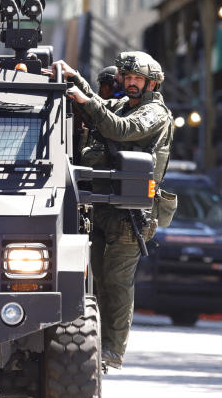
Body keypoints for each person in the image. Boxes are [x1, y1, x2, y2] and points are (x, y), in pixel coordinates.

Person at [48, 52, 173, 371]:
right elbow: (99, 106)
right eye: (126, 77)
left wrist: (85, 100)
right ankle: (98, 345)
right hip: (103, 206)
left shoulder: (153, 113)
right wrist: (74, 77)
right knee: (98, 281)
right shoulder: (121, 104)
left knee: (117, 283)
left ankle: (112, 351)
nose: (130, 83)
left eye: (136, 79)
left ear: (151, 83)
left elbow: (120, 128)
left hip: (130, 215)